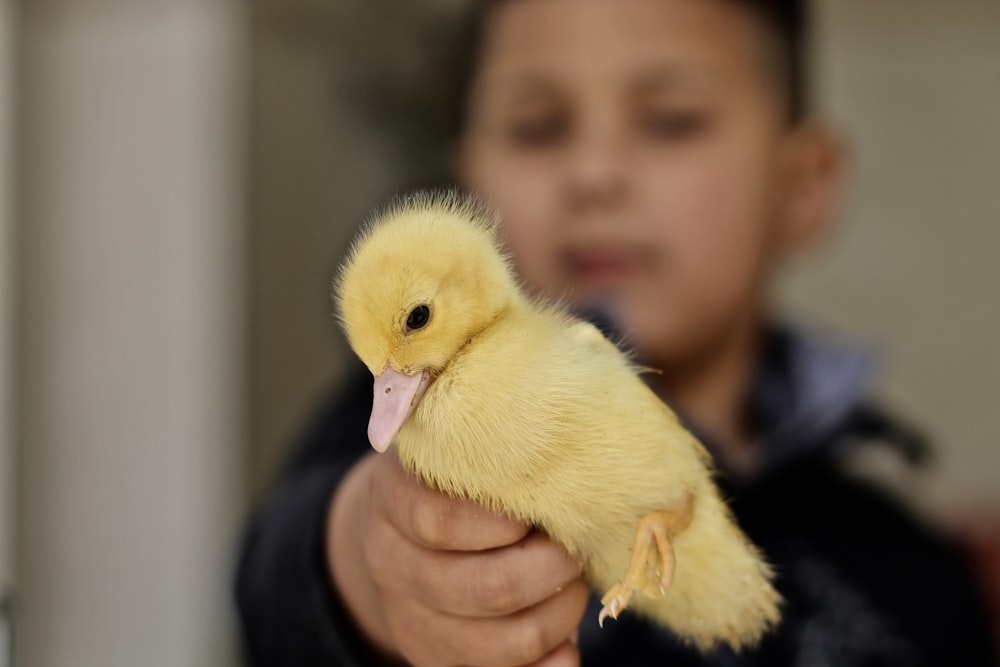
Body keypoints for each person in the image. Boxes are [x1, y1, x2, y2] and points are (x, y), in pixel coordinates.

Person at [235, 0, 999, 665]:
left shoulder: (908, 564)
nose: (594, 172)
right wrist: (382, 560)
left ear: (801, 184)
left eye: (671, 121)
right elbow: (284, 577)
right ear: (470, 192)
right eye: (539, 129)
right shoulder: (418, 430)